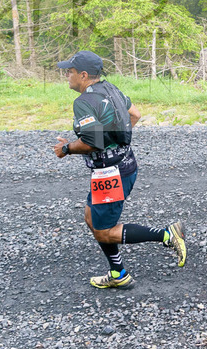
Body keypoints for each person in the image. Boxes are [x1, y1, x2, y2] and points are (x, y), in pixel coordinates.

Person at [53, 50, 187, 288]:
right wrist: (116, 142)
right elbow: (134, 114)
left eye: (70, 71)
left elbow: (92, 142)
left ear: (83, 75)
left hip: (110, 175)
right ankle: (118, 274)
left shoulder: (84, 102)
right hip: (125, 165)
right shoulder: (111, 89)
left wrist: (66, 149)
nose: (67, 75)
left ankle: (167, 235)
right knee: (90, 217)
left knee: (104, 231)